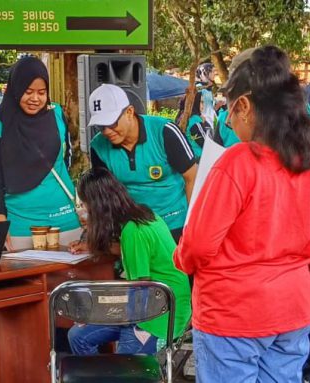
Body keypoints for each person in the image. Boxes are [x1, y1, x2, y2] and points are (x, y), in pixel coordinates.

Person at [173, 46, 310, 383]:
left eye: (231, 112)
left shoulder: (238, 163)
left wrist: (181, 258)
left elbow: (198, 246)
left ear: (245, 106)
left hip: (232, 315)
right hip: (292, 311)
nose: (229, 122)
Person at [67, 167, 191, 355]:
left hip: (159, 316)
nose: (84, 210)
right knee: (78, 335)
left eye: (84, 205)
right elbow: (129, 251)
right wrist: (92, 246)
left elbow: (140, 294)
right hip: (161, 305)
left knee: (123, 370)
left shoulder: (133, 232)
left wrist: (98, 314)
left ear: (96, 206)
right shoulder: (145, 215)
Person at [0, 56, 80, 250]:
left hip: (66, 222)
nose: (35, 99)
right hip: (20, 229)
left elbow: (66, 160)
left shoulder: (58, 115)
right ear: (16, 90)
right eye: (28, 92)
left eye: (42, 92)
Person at [88, 84, 197, 242]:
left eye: (111, 123)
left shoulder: (164, 131)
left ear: (129, 112)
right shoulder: (98, 147)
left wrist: (194, 228)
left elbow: (192, 178)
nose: (106, 132)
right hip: (133, 230)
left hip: (175, 226)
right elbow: (103, 196)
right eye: (101, 126)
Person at [185, 91, 212, 161]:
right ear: (195, 102)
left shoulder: (188, 117)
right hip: (198, 159)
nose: (203, 105)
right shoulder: (195, 120)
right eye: (201, 102)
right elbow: (205, 142)